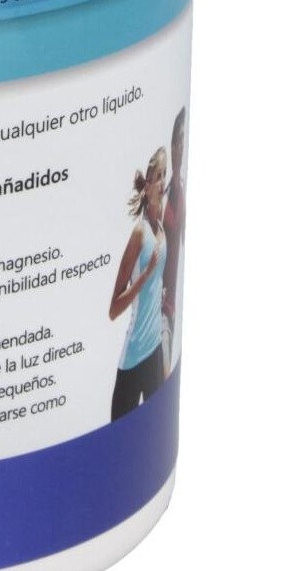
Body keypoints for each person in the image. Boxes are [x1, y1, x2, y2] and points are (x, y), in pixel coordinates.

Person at [109, 147, 168, 420]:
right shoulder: (139, 233)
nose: (163, 182)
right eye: (158, 176)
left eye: (165, 174)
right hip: (134, 356)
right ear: (147, 186)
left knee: (156, 428)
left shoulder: (162, 231)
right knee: (118, 431)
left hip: (155, 349)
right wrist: (145, 275)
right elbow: (113, 310)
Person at [162, 108, 186, 374]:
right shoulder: (163, 196)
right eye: (176, 141)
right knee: (164, 373)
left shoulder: (181, 190)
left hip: (174, 307)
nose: (180, 147)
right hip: (160, 313)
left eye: (182, 140)